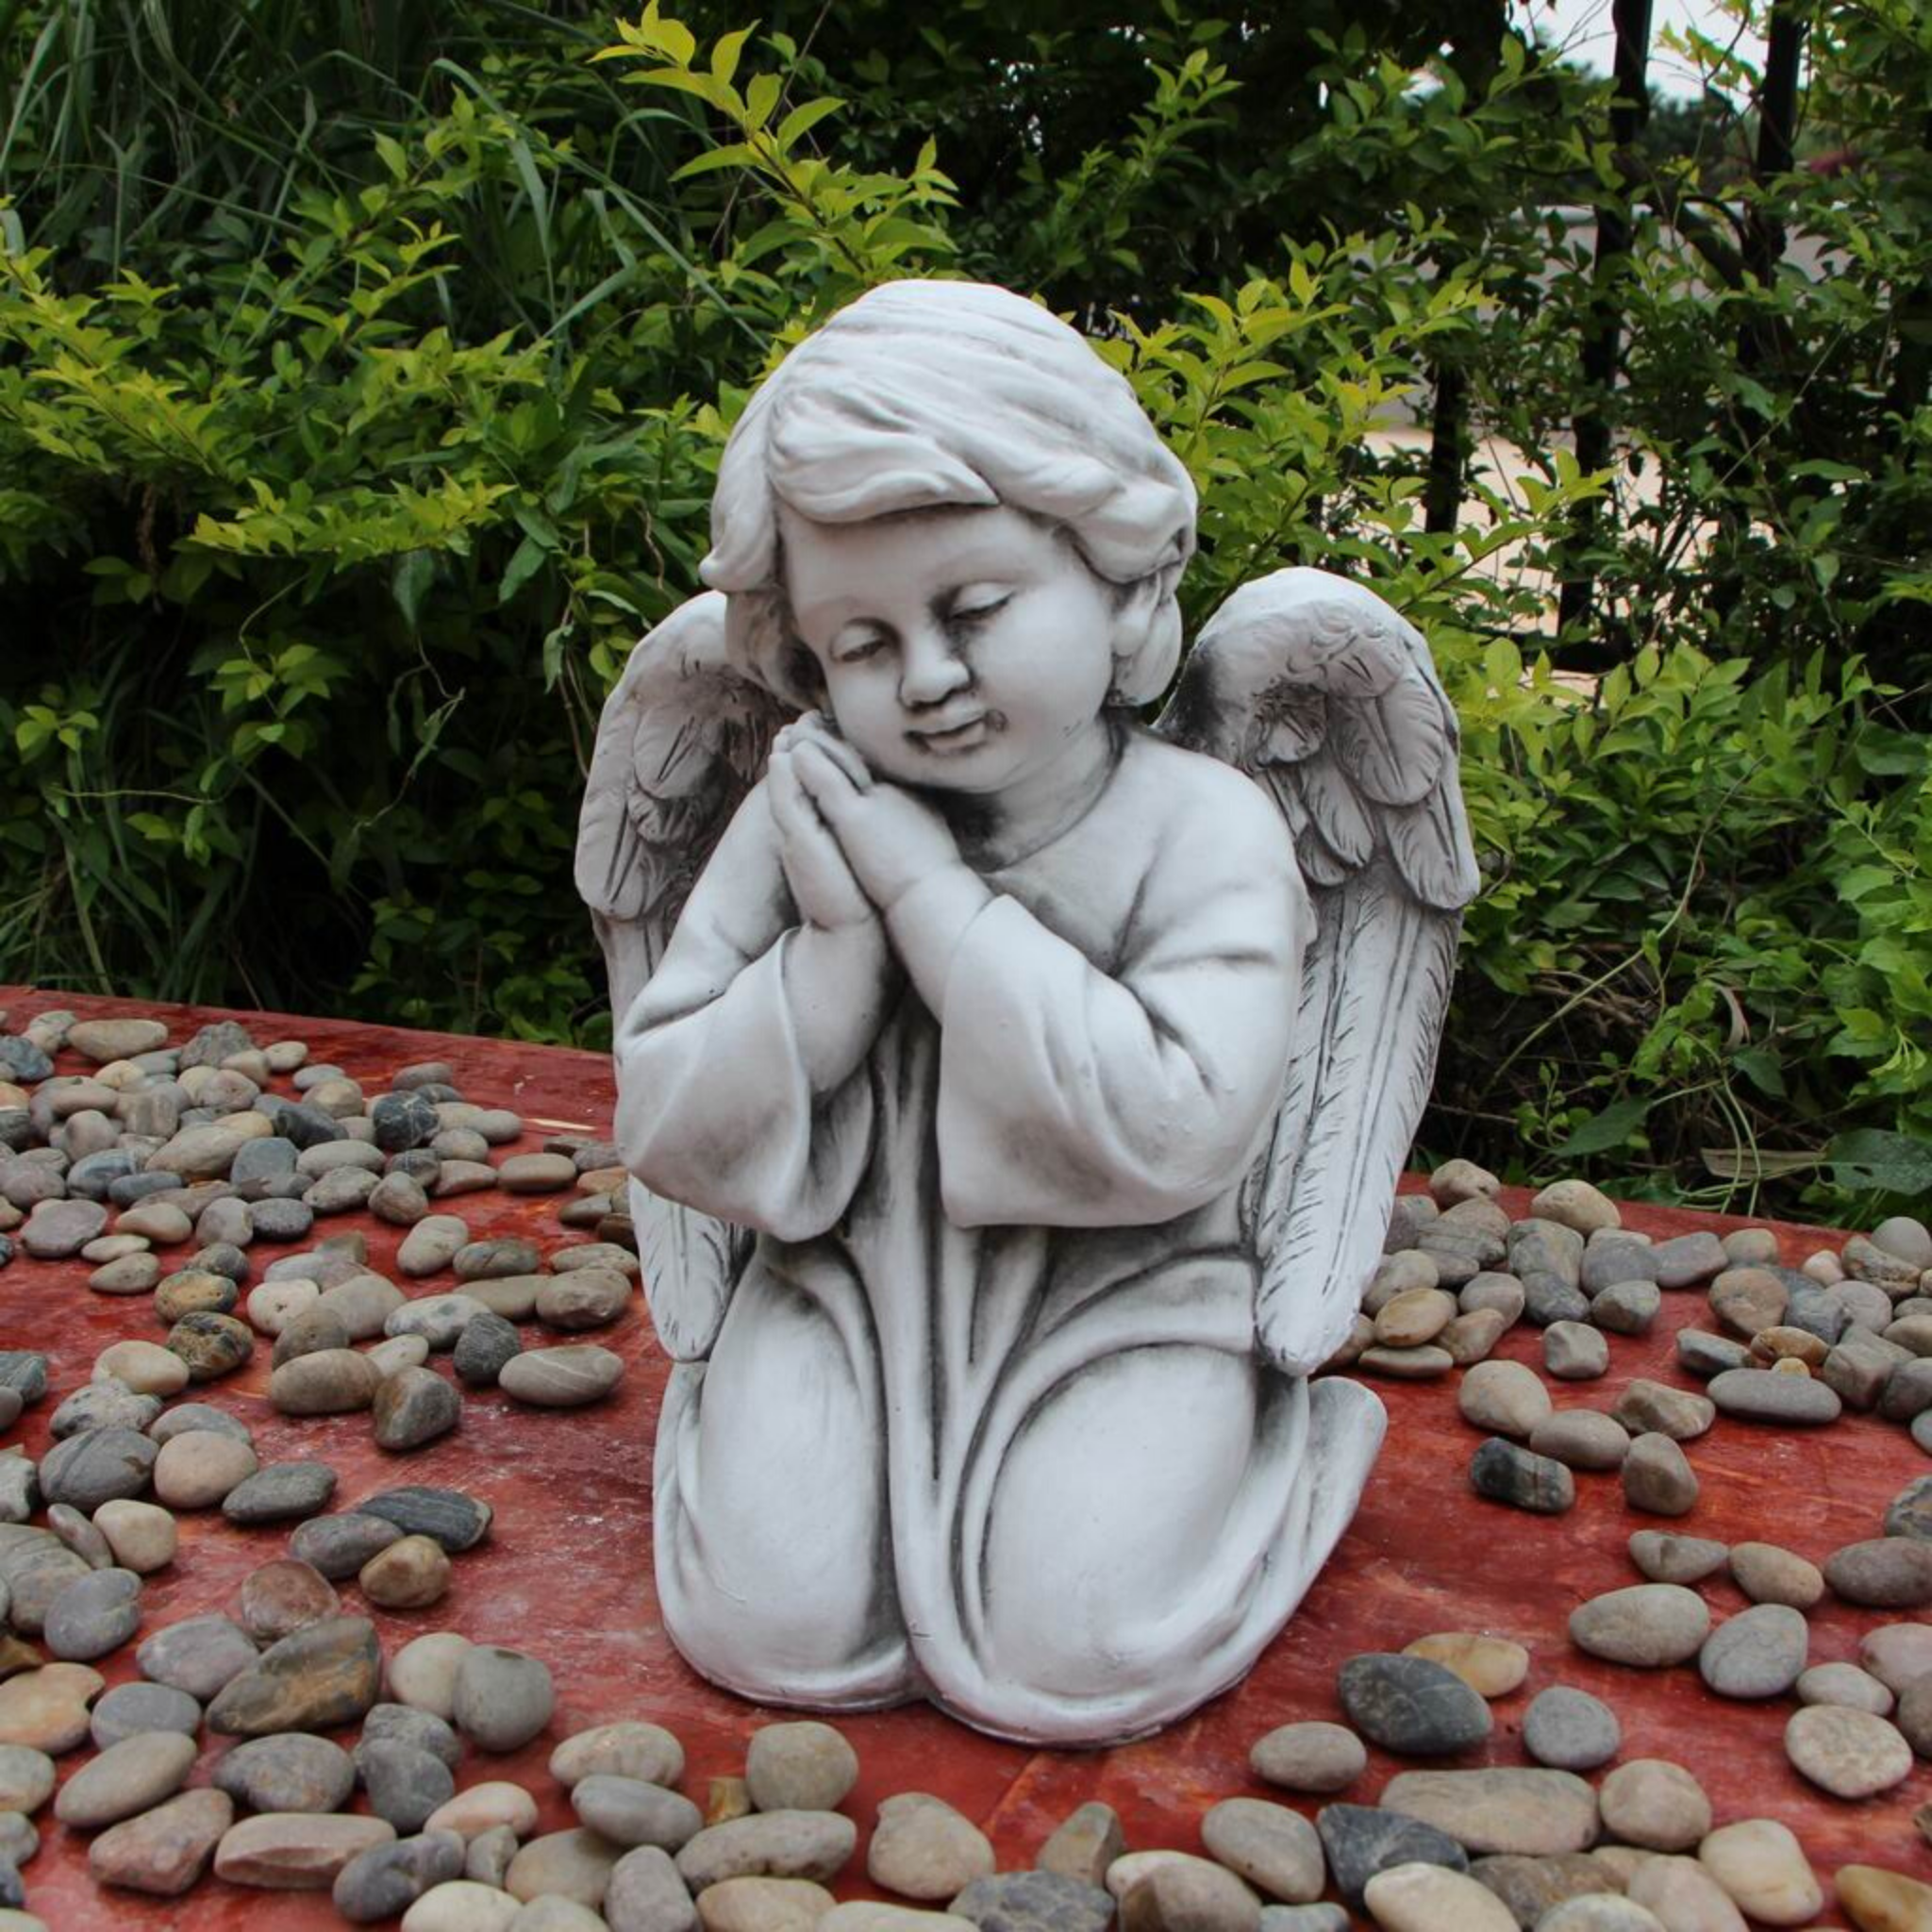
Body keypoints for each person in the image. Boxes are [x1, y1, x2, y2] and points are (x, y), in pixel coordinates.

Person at [612, 280, 1379, 1743]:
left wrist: (928, 902)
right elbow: (666, 1112)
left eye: (973, 609)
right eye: (863, 643)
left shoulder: (1203, 827)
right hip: (839, 1290)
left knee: (1073, 1653)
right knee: (768, 1626)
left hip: (1126, 1309)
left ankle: (1290, 1445)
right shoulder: (803, 814)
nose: (931, 678)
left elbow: (1173, 1126)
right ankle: (770, 1438)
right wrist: (834, 954)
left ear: (1121, 579)